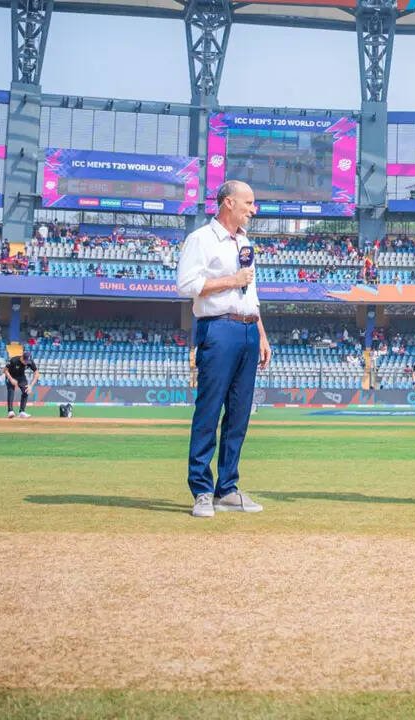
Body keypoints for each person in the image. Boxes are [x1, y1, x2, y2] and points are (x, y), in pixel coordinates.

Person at [175, 180, 272, 518]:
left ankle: (227, 489)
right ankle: (202, 491)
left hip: (247, 329)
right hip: (217, 328)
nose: (253, 209)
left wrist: (261, 332)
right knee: (209, 410)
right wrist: (231, 280)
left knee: (239, 414)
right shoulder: (201, 239)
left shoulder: (244, 242)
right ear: (228, 202)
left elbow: (250, 292)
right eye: (249, 202)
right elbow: (186, 285)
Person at [3, 351, 40, 419]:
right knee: (11, 390)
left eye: (28, 362)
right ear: (22, 358)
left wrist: (31, 386)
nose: (27, 363)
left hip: (21, 376)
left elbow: (36, 373)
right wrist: (11, 379)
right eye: (25, 361)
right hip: (10, 375)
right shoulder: (14, 360)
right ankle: (10, 411)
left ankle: (22, 412)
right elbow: (5, 370)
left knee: (26, 390)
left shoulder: (30, 362)